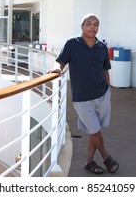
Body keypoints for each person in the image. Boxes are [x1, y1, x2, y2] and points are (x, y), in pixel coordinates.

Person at [49, 13, 119, 174]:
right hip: (82, 98)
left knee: (94, 131)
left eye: (96, 24)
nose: (92, 27)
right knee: (95, 131)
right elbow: (60, 61)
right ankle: (107, 157)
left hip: (102, 95)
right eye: (89, 24)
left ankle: (89, 162)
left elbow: (105, 70)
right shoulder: (72, 44)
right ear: (82, 26)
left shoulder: (101, 47)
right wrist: (57, 69)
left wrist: (107, 90)